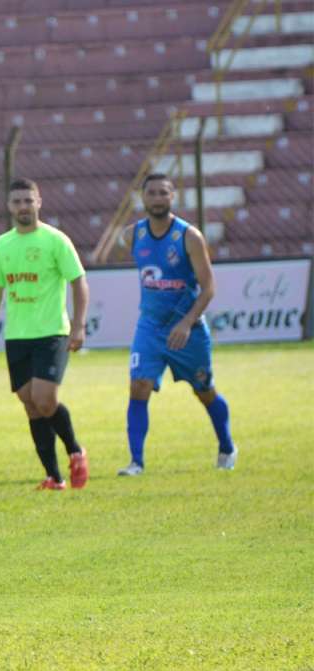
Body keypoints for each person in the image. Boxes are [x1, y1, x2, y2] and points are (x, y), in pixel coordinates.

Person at [116, 173, 237, 476]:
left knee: (204, 391)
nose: (157, 198)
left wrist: (186, 322)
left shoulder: (189, 236)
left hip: (187, 330)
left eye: (163, 193)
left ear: (173, 197)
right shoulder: (132, 235)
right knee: (138, 386)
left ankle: (227, 447)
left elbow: (209, 288)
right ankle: (136, 462)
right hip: (150, 327)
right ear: (142, 197)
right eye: (152, 193)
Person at [0, 178, 90, 490]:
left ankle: (75, 450)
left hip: (52, 333)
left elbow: (78, 281)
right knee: (30, 404)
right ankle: (54, 477)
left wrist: (79, 325)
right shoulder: (3, 244)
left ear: (39, 202)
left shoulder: (55, 240)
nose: (23, 207)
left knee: (44, 399)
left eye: (28, 200)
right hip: (17, 336)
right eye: (17, 202)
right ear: (9, 206)